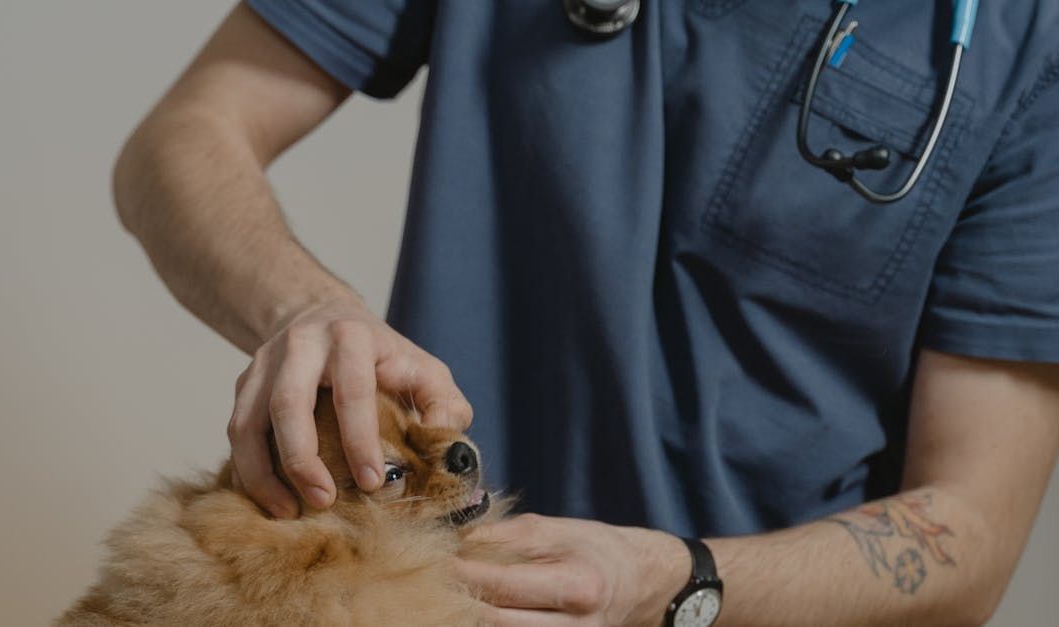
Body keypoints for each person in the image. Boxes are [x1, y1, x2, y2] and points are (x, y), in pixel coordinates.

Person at [112, 1, 1059, 624]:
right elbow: (185, 136)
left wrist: (679, 579)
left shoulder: (1027, 46)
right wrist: (306, 305)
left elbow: (972, 527)